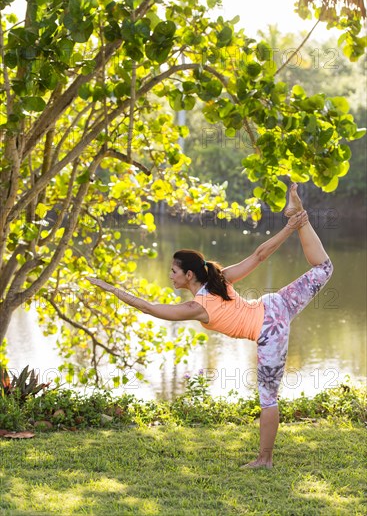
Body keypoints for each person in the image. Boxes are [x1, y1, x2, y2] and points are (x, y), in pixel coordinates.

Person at [87, 184, 333, 468]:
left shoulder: (198, 307)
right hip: (274, 305)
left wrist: (110, 288)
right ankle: (299, 214)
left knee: (268, 398)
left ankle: (265, 459)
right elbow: (259, 255)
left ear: (189, 274)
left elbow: (148, 307)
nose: (170, 276)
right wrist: (291, 227)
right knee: (324, 268)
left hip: (270, 330)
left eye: (174, 272)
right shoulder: (219, 280)